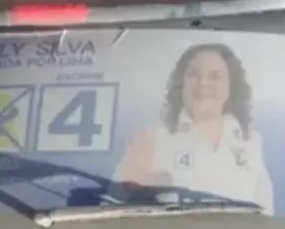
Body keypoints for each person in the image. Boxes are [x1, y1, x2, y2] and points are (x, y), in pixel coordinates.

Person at [114, 43, 275, 212]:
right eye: (194, 75)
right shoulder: (152, 139)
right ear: (181, 83)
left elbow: (265, 212)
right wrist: (133, 188)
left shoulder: (250, 142)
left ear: (231, 85)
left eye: (215, 77)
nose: (203, 83)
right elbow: (116, 206)